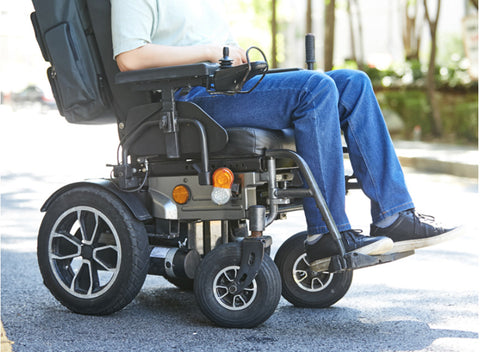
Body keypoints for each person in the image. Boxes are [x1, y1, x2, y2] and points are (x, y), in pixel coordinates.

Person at [111, 0, 461, 270]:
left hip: (227, 89)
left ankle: (393, 216)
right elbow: (130, 58)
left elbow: (224, 54)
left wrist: (240, 61)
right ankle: (327, 232)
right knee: (315, 89)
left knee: (353, 84)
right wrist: (209, 53)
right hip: (187, 99)